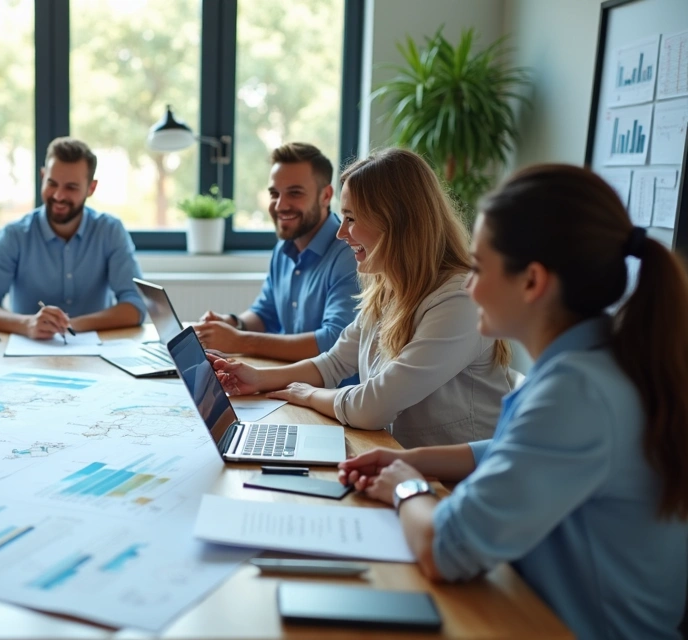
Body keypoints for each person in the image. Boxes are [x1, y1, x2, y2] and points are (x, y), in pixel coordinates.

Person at [338, 164, 688, 638]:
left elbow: (446, 549)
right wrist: (413, 460)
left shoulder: (576, 394)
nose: (468, 285)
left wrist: (406, 487)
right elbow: (518, 450)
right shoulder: (593, 359)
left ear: (532, 282)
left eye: (479, 267)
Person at [211, 148, 511, 448]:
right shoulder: (389, 287)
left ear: (396, 222)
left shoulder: (459, 301)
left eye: (351, 218)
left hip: (454, 482)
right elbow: (334, 362)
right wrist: (258, 378)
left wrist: (308, 394)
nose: (341, 233)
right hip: (398, 458)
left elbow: (372, 408)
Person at [0, 137, 147, 339]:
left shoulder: (110, 231)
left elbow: (135, 306)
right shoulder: (15, 234)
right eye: (52, 183)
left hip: (97, 357)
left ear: (91, 188)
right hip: (27, 356)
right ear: (43, 176)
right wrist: (27, 324)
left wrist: (68, 326)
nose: (59, 196)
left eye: (71, 187)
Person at [195, 143, 359, 362]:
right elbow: (265, 313)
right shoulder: (284, 248)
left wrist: (239, 341)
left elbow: (335, 341)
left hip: (331, 393)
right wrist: (232, 323)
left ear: (326, 196)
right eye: (274, 194)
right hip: (288, 382)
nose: (280, 205)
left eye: (294, 193)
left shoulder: (350, 253)